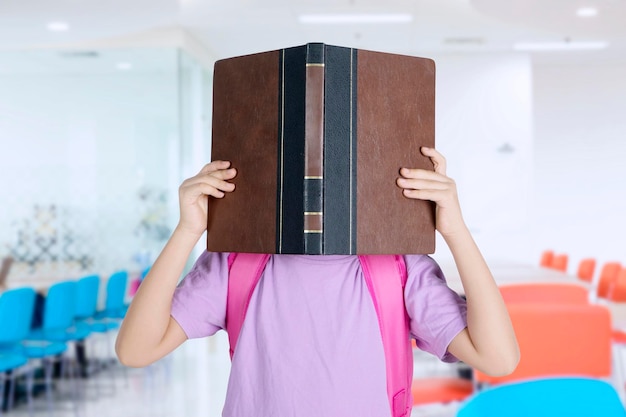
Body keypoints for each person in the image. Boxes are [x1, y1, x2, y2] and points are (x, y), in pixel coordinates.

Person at [115, 147, 519, 416]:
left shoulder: (398, 265)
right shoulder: (238, 259)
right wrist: (189, 230)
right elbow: (136, 349)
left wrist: (454, 229)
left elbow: (498, 358)